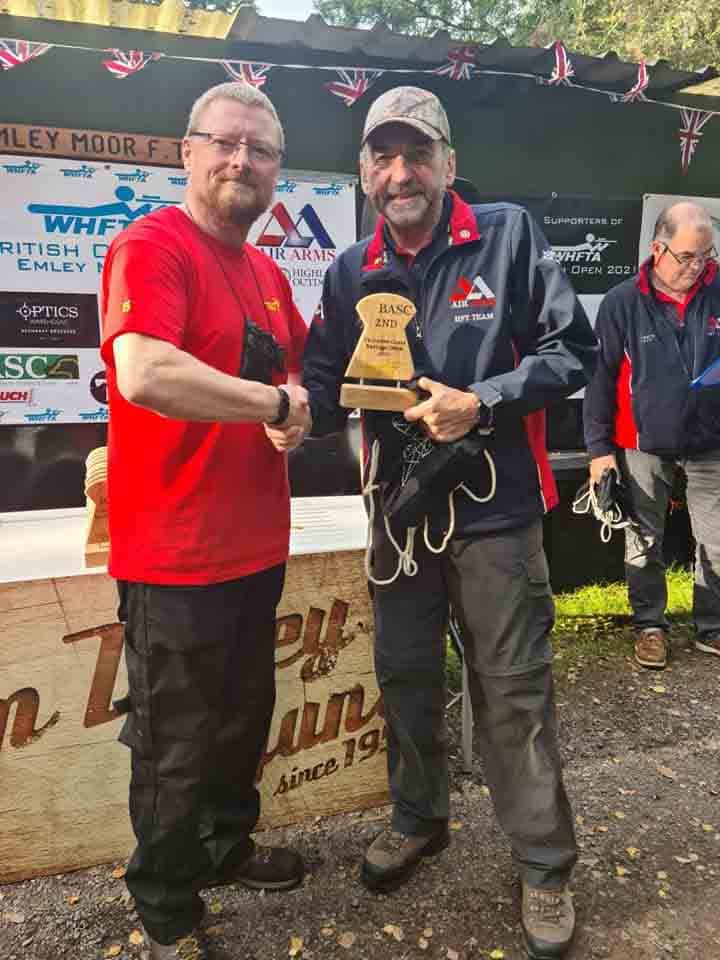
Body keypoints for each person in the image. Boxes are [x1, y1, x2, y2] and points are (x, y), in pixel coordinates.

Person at [271, 86, 598, 959]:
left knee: (513, 690)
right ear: (364, 172)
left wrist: (481, 401)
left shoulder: (508, 235)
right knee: (405, 677)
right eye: (383, 156)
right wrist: (293, 399)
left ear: (449, 162)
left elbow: (574, 351)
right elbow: (326, 371)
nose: (400, 172)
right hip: (397, 515)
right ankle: (419, 818)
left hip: (495, 511)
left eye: (417, 153)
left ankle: (543, 863)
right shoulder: (349, 271)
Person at [100, 82, 312, 960]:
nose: (241, 161)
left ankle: (226, 850)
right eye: (225, 143)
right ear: (185, 151)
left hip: (253, 547)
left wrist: (301, 408)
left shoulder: (265, 273)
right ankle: (166, 907)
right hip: (174, 556)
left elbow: (301, 382)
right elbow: (145, 372)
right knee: (173, 743)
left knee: (239, 723)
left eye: (259, 151)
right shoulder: (151, 245)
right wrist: (273, 398)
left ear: (276, 172)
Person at [584, 200, 720, 670]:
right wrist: (599, 452)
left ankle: (712, 627)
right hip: (641, 444)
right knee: (644, 537)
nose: (697, 267)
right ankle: (649, 626)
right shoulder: (622, 301)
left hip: (711, 442)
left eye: (706, 255)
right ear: (657, 248)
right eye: (687, 256)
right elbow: (599, 380)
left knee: (717, 538)